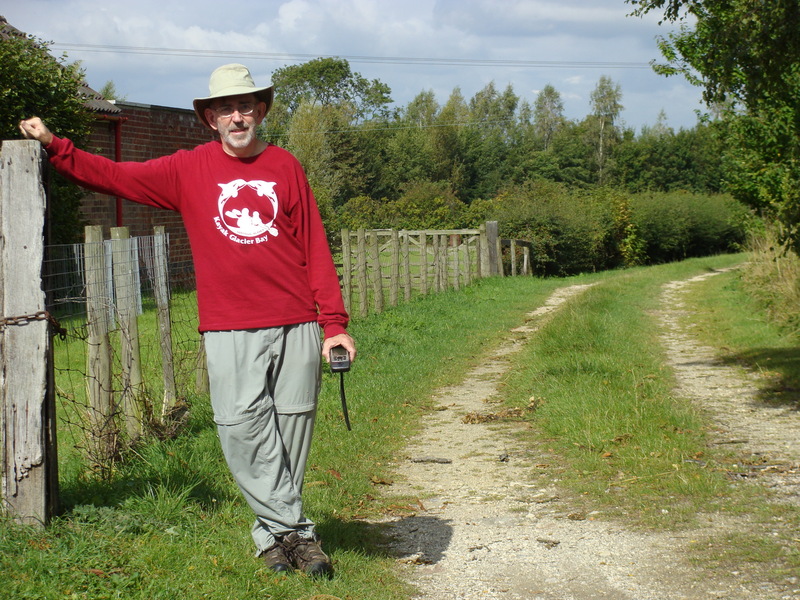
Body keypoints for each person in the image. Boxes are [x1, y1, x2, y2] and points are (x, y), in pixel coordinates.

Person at [19, 63, 356, 578]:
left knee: (292, 429)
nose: (237, 116)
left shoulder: (286, 166)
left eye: (245, 106)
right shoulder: (188, 169)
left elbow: (313, 245)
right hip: (229, 324)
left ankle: (274, 540)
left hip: (296, 321)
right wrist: (58, 146)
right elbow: (117, 176)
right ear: (211, 119)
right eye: (226, 108)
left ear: (260, 111)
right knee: (241, 429)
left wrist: (333, 323)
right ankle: (297, 532)